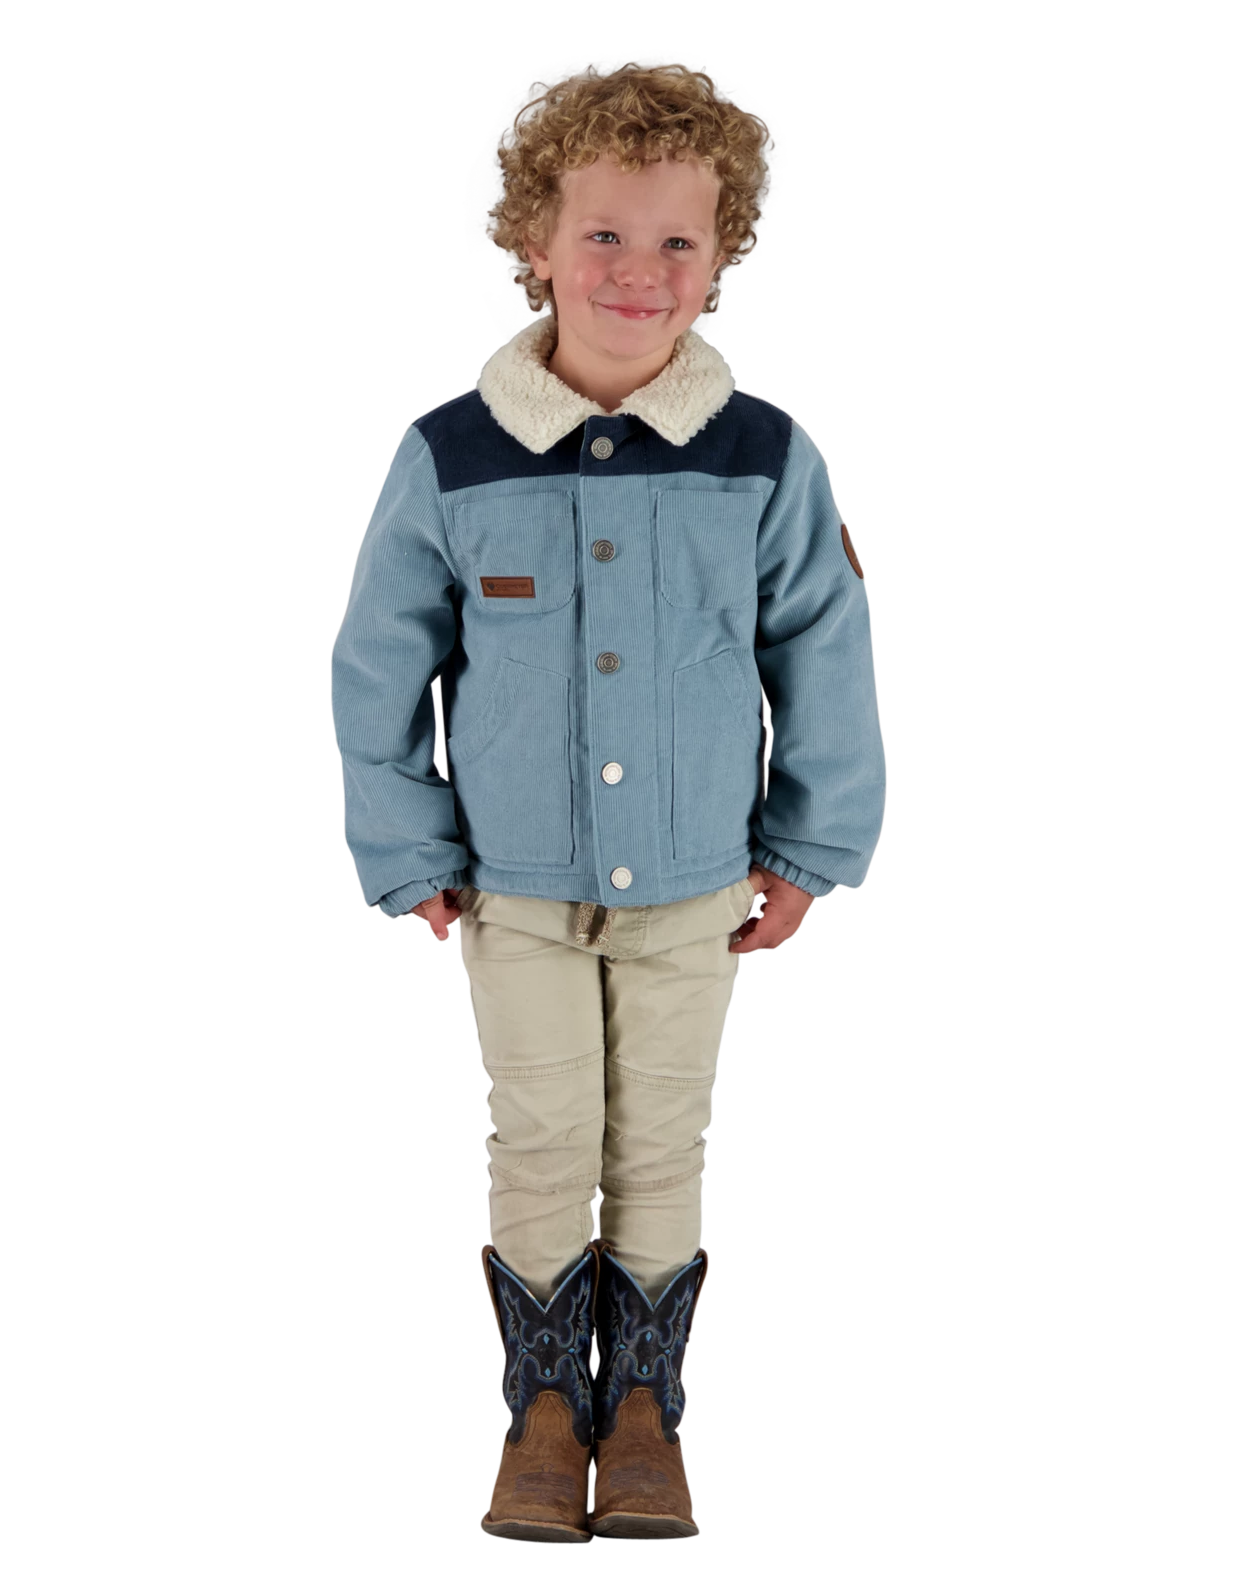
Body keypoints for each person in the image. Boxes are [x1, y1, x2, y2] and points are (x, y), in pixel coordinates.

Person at [330, 62, 885, 1543]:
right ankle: (539, 1418)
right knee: (540, 1132)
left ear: (724, 253)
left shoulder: (761, 453)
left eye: (676, 242)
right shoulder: (451, 454)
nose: (638, 272)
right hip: (512, 884)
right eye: (603, 236)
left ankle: (645, 1415)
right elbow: (381, 663)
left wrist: (809, 847)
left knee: (659, 1138)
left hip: (698, 882)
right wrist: (409, 851)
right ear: (533, 242)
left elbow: (822, 649)